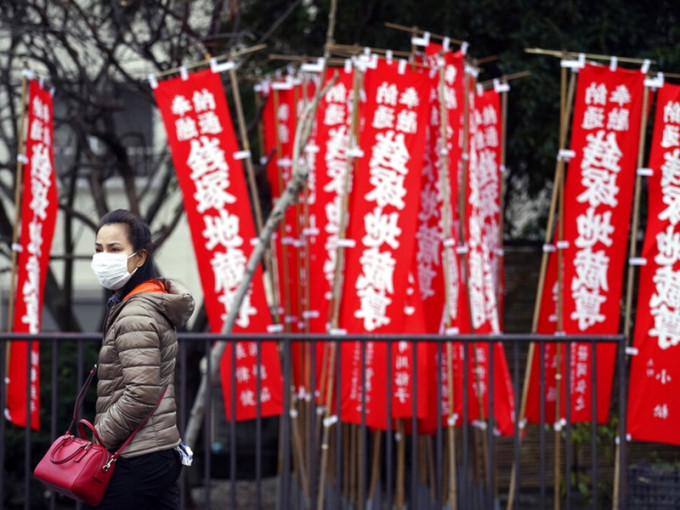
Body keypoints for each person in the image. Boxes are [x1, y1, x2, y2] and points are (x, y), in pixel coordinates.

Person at [84, 209, 195, 509]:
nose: (103, 257)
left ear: (140, 258)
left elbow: (141, 393)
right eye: (99, 249)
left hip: (136, 454)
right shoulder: (138, 304)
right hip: (158, 449)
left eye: (115, 249)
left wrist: (101, 437)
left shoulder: (135, 313)